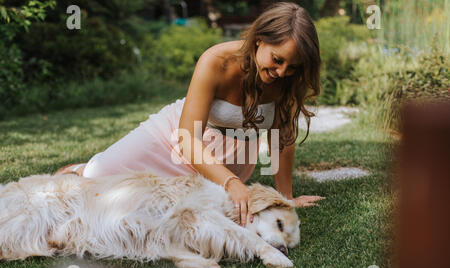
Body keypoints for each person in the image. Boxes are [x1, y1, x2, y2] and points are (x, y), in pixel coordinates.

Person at [56, 2, 325, 226]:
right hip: (175, 140)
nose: (282, 72)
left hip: (228, 161)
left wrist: (285, 198)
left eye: (292, 67)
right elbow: (187, 138)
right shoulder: (217, 61)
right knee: (97, 179)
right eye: (277, 60)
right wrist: (231, 184)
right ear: (258, 41)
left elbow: (282, 139)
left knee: (159, 209)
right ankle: (81, 170)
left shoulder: (288, 80)